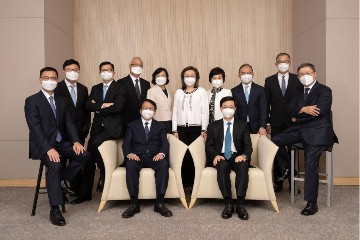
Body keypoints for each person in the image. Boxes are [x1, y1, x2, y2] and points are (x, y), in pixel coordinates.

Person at [24, 67, 90, 226]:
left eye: (53, 78)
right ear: (40, 79)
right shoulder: (32, 101)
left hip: (61, 142)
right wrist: (48, 148)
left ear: (57, 79)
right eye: (46, 78)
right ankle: (55, 209)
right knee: (54, 165)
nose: (50, 81)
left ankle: (63, 181)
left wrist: (75, 141)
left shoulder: (61, 100)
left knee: (85, 155)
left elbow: (68, 122)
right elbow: (35, 128)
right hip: (43, 145)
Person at [272, 63, 338, 216]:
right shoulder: (297, 91)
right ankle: (288, 167)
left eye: (307, 73)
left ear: (314, 74)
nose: (304, 76)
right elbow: (289, 110)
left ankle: (311, 203)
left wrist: (299, 115)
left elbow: (320, 111)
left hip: (318, 132)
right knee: (273, 140)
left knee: (310, 163)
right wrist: (303, 109)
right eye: (301, 74)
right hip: (300, 129)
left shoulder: (324, 90)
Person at [71, 61, 126, 204]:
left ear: (114, 72)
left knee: (94, 145)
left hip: (113, 129)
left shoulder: (120, 88)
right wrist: (104, 105)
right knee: (88, 158)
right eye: (103, 70)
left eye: (108, 70)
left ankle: (102, 173)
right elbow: (88, 105)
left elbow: (118, 108)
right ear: (99, 72)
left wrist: (99, 107)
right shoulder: (95, 88)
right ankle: (85, 194)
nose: (106, 72)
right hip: (96, 129)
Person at [122, 99, 173, 218]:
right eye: (145, 108)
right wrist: (130, 154)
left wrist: (161, 153)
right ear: (140, 110)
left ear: (155, 112)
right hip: (137, 157)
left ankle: (159, 203)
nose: (148, 110)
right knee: (130, 165)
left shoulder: (160, 126)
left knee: (163, 165)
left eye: (151, 109)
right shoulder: (132, 125)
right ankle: (134, 204)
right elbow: (126, 144)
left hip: (154, 157)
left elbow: (164, 143)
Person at [205, 96, 252, 220]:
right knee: (223, 165)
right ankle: (228, 204)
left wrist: (243, 156)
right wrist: (215, 155)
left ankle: (240, 205)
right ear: (221, 108)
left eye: (231, 107)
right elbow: (208, 145)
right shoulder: (213, 126)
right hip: (220, 156)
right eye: (225, 107)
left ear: (235, 109)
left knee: (243, 166)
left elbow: (248, 146)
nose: (228, 109)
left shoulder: (243, 125)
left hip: (237, 156)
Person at [264, 53, 303, 192]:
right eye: (280, 62)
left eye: (285, 61)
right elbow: (266, 103)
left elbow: (301, 101)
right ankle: (278, 182)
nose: (283, 64)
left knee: (293, 150)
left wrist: (298, 117)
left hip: (293, 121)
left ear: (290, 63)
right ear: (275, 63)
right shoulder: (269, 81)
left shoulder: (297, 79)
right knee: (276, 151)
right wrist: (267, 123)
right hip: (276, 121)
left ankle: (293, 183)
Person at [54, 59, 91, 196]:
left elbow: (86, 111)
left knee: (78, 160)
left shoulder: (83, 88)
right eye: (70, 70)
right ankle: (60, 194)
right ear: (64, 71)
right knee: (61, 162)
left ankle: (74, 190)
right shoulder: (57, 88)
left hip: (80, 131)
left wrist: (86, 128)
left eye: (75, 70)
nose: (73, 72)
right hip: (62, 133)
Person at [172, 66, 209, 191]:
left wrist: (204, 129)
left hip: (197, 129)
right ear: (183, 78)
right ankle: (184, 183)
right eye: (187, 76)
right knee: (183, 156)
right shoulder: (178, 92)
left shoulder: (202, 92)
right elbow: (175, 112)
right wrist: (174, 130)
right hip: (181, 129)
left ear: (197, 77)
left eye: (192, 75)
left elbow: (205, 112)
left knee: (195, 156)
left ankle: (194, 184)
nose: (189, 78)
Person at [231, 64, 267, 135]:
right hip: (240, 126)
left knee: (256, 145)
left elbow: (263, 109)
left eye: (248, 73)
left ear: (253, 74)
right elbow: (234, 110)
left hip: (257, 126)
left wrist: (262, 126)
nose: (246, 75)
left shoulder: (260, 90)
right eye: (243, 73)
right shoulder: (234, 91)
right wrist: (235, 126)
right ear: (239, 75)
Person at [117, 57, 150, 128]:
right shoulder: (121, 82)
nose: (138, 67)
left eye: (140, 65)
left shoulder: (146, 84)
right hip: (126, 122)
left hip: (142, 121)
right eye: (135, 65)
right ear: (130, 66)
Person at [146, 67, 172, 133]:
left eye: (163, 75)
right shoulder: (151, 91)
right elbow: (150, 109)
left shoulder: (168, 91)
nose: (160, 77)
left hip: (169, 121)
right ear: (154, 78)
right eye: (158, 76)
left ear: (167, 77)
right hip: (158, 121)